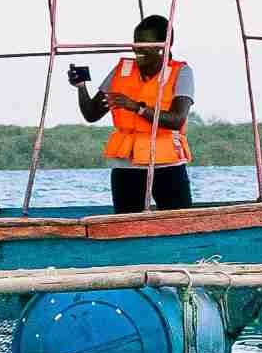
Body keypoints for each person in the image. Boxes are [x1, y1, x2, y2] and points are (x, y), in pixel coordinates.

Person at [67, 14, 195, 212]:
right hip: (126, 167)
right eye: (136, 43)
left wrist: (137, 107)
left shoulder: (182, 72)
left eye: (146, 44)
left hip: (167, 166)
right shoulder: (121, 70)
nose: (138, 49)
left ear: (165, 45)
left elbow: (177, 120)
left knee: (179, 222)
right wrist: (81, 86)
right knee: (125, 224)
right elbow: (92, 114)